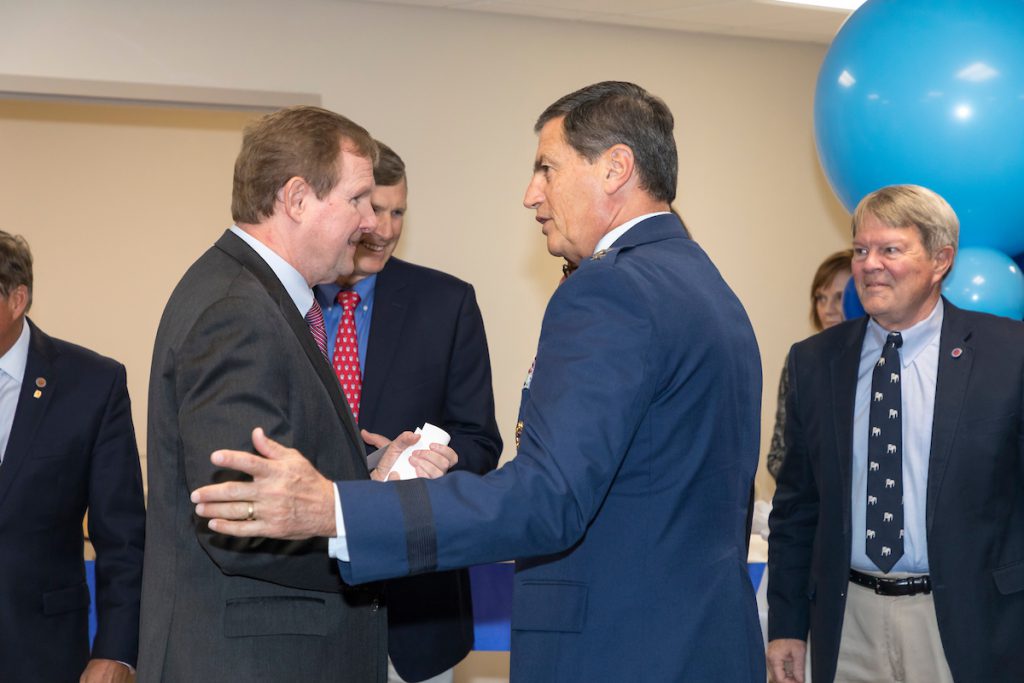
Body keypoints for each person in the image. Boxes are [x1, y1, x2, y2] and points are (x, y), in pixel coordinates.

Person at [193, 81, 766, 682]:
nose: (531, 195)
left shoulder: (609, 289)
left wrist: (339, 510)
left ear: (616, 167)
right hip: (700, 643)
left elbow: (548, 498)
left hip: (618, 651)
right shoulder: (704, 283)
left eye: (547, 168)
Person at [138, 106, 453, 682]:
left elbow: (280, 471)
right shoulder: (237, 311)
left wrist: (370, 474)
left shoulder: (257, 297)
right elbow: (240, 517)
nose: (371, 223)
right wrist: (369, 524)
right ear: (298, 198)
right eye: (358, 199)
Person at [767, 184, 1024, 682]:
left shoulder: (1009, 355)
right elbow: (797, 508)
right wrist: (786, 625)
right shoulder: (815, 361)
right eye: (861, 250)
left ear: (940, 260)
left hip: (969, 624)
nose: (868, 264)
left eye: (890, 249)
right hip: (848, 622)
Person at [314, 141, 501, 683]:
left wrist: (433, 463)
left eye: (399, 212)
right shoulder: (292, 302)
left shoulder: (447, 303)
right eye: (374, 210)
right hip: (304, 603)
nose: (387, 228)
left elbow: (481, 439)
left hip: (416, 614)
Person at [0, 231, 145, 682]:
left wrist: (117, 651)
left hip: (40, 654)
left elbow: (123, 537)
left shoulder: (92, 385)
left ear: (17, 299)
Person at [766, 249, 852, 479]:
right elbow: (778, 454)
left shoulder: (884, 360)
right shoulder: (801, 361)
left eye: (839, 297)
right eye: (820, 298)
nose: (827, 309)